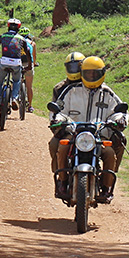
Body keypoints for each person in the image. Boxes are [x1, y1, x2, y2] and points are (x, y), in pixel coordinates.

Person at [51, 56, 127, 203]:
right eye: (88, 73)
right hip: (74, 134)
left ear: (102, 74)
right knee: (62, 148)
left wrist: (118, 120)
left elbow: (119, 110)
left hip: (99, 136)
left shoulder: (108, 93)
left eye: (95, 74)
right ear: (82, 73)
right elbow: (59, 109)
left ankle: (106, 188)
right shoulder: (71, 90)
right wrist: (58, 119)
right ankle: (62, 182)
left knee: (110, 154)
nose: (91, 76)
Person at [47, 52, 85, 187]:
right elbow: (54, 112)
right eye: (71, 67)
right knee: (54, 145)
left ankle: (107, 181)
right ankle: (61, 177)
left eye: (77, 67)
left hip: (90, 128)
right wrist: (57, 124)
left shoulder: (92, 85)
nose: (74, 70)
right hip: (68, 127)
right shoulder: (59, 88)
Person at [0, 18, 29, 115]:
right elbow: (28, 53)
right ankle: (14, 97)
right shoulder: (21, 39)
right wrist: (29, 65)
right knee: (17, 81)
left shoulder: (2, 36)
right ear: (18, 28)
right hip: (16, 63)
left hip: (4, 62)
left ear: (8, 26)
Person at [18, 28, 37, 113]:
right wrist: (34, 63)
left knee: (15, 81)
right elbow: (34, 56)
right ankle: (30, 106)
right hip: (28, 65)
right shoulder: (32, 43)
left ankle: (11, 100)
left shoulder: (17, 41)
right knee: (29, 86)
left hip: (18, 63)